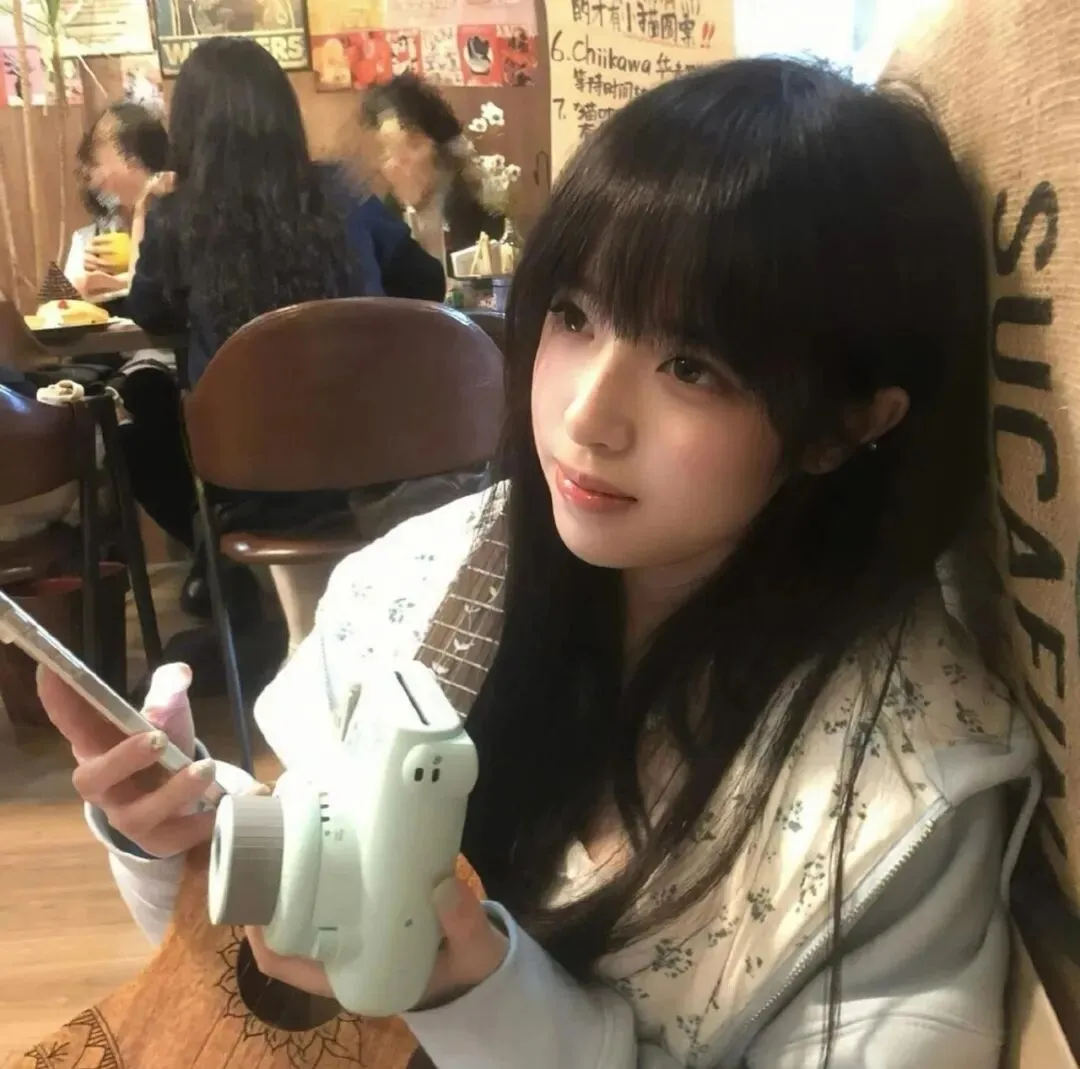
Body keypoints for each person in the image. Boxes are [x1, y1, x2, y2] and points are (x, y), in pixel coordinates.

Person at [42, 58, 1038, 1068]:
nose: (585, 417)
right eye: (573, 315)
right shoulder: (416, 583)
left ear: (843, 425)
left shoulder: (905, 786)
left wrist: (480, 999)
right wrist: (189, 834)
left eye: (691, 366)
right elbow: (277, 993)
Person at [117, 38, 445, 622]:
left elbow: (150, 312)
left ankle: (218, 567)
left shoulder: (178, 217)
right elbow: (426, 283)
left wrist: (149, 213)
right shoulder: (345, 195)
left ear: (188, 128)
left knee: (141, 422)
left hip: (252, 481)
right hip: (377, 467)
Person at [357, 74, 506, 268]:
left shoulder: (487, 226)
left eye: (413, 144)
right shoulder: (376, 234)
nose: (397, 163)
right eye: (386, 152)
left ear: (443, 147)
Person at [66, 102, 169, 300]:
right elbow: (65, 306)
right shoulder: (89, 241)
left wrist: (136, 261)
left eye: (98, 162)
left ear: (134, 161)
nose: (97, 177)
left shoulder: (177, 223)